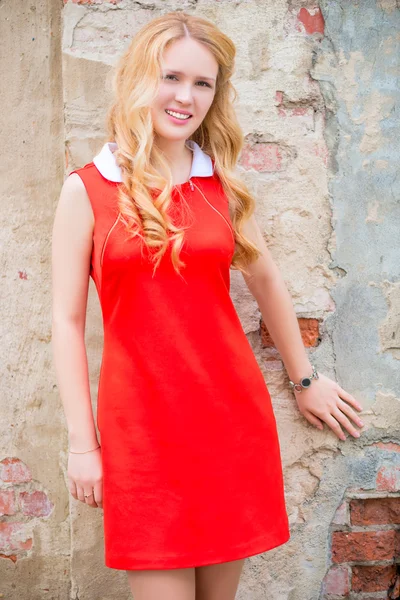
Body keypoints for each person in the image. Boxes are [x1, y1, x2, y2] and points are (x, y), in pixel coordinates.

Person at [51, 11, 365, 600]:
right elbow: (67, 323)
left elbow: (267, 281)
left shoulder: (218, 183)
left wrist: (305, 380)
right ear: (139, 78)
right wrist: (81, 444)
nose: (185, 97)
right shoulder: (89, 188)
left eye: (203, 83)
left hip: (229, 425)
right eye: (172, 77)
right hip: (141, 435)